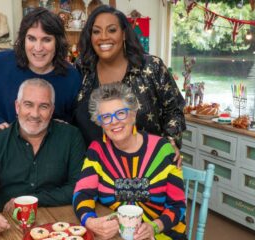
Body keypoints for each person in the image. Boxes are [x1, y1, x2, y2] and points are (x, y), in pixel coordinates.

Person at [0, 78, 86, 237]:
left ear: (52, 110)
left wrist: (31, 200)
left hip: (58, 226)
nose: (35, 114)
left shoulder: (71, 137)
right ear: (17, 106)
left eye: (44, 106)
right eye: (28, 104)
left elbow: (78, 187)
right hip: (6, 228)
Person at [72, 82, 187, 240]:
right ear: (100, 122)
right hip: (117, 237)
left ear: (133, 114)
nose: (114, 121)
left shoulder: (163, 150)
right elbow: (83, 193)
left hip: (162, 235)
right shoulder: (97, 150)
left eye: (120, 113)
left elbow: (177, 205)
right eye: (106, 117)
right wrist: (90, 221)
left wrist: (154, 227)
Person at [73, 5, 185, 165]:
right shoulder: (82, 68)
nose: (103, 37)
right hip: (96, 169)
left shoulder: (151, 67)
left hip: (148, 167)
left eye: (112, 30)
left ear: (124, 34)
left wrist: (170, 141)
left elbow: (175, 110)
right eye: (96, 31)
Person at [0, 7, 81, 132]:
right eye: (31, 38)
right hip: (5, 145)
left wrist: (64, 125)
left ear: (57, 43)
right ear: (23, 40)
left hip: (50, 148)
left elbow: (73, 118)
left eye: (46, 39)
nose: (38, 48)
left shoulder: (71, 77)